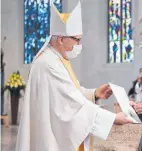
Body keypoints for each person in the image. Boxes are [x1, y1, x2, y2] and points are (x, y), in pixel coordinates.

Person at [16, 2, 131, 151]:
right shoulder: (48, 64)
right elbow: (70, 104)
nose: (79, 44)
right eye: (76, 40)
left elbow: (71, 92)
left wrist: (95, 94)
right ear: (61, 39)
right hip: (52, 138)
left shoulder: (57, 59)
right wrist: (112, 118)